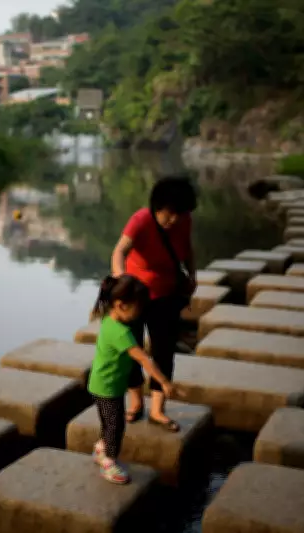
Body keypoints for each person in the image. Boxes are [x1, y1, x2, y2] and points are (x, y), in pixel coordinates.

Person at [110, 176, 197, 431]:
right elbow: (119, 251)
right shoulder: (141, 220)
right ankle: (136, 402)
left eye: (179, 214)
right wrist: (121, 280)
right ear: (157, 207)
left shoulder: (184, 220)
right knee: (131, 349)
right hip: (136, 296)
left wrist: (193, 275)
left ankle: (158, 409)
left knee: (163, 351)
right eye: (169, 214)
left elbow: (187, 250)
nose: (174, 220)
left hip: (166, 294)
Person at [87, 275, 180, 484]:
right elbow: (145, 359)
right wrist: (164, 382)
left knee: (108, 421)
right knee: (116, 426)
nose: (141, 313)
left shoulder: (109, 319)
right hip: (108, 388)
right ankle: (108, 462)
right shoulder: (121, 333)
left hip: (101, 384)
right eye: (138, 308)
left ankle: (101, 447)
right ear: (121, 305)